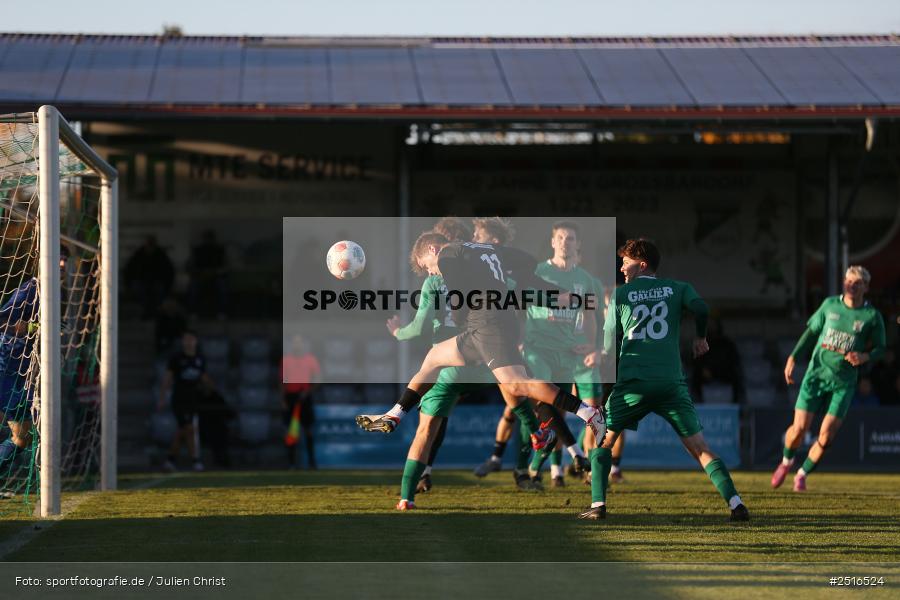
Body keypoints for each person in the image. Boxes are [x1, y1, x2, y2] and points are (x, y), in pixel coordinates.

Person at [361, 232, 606, 510]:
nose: (432, 272)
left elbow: (454, 289)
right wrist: (554, 292)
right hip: (489, 325)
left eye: (427, 266)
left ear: (432, 249)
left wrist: (460, 313)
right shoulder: (486, 248)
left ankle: (588, 413)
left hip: (486, 324)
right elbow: (526, 263)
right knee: (433, 360)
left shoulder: (448, 254)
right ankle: (395, 414)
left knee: (517, 384)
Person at [582, 238, 748, 522]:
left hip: (633, 384)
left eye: (625, 263)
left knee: (601, 442)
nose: (621, 268)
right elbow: (701, 309)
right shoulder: (678, 288)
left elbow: (609, 346)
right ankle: (736, 504)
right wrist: (700, 337)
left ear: (641, 264)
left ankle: (598, 506)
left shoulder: (621, 295)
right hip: (670, 384)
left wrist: (607, 381)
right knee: (700, 448)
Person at [771, 266, 886, 491]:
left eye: (857, 283)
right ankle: (786, 462)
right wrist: (793, 357)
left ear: (866, 287)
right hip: (816, 375)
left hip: (843, 383)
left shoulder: (871, 316)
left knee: (826, 436)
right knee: (799, 429)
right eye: (848, 281)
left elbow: (881, 348)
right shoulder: (830, 305)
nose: (851, 286)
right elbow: (811, 333)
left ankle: (802, 475)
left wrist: (865, 356)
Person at [522, 221, 600, 487]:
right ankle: (574, 455)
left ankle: (546, 470)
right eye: (561, 238)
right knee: (543, 401)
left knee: (558, 413)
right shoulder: (538, 272)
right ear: (553, 242)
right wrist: (517, 340)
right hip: (538, 349)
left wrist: (591, 344)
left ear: (578, 244)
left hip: (566, 353)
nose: (565, 242)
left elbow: (590, 315)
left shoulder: (585, 280)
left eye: (570, 238)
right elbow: (519, 304)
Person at [0, 247, 69, 474]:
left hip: (23, 373)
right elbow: (2, 321)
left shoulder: (59, 292)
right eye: (58, 259)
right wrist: (28, 328)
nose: (62, 264)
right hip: (5, 365)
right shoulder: (30, 289)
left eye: (65, 260)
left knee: (23, 436)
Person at [158, 330, 214, 471]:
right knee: (189, 427)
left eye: (191, 339)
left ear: (196, 341)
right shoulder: (176, 358)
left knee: (185, 429)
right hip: (179, 399)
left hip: (193, 399)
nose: (188, 342)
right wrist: (162, 397)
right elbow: (167, 378)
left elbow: (203, 377)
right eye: (186, 339)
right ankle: (195, 460)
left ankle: (171, 460)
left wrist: (210, 387)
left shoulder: (200, 359)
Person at [281, 334, 321, 469]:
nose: (297, 345)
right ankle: (291, 463)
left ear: (303, 344)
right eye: (294, 342)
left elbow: (317, 380)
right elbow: (281, 382)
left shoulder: (311, 360)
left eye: (299, 342)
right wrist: (283, 400)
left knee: (308, 431)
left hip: (305, 397)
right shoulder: (286, 360)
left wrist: (308, 391)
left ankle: (311, 462)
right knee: (291, 432)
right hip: (290, 398)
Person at [124, 235, 174, 319]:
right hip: (141, 282)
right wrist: (128, 284)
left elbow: (169, 271)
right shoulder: (139, 254)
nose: (150, 247)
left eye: (152, 244)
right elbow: (129, 270)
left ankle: (153, 312)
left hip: (157, 282)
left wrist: (167, 284)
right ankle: (147, 311)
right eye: (148, 244)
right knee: (140, 290)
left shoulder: (161, 255)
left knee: (158, 290)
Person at [188, 229, 228, 318]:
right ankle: (192, 312)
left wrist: (215, 271)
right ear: (203, 239)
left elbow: (225, 266)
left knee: (223, 288)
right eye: (206, 238)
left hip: (216, 275)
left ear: (213, 239)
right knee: (193, 288)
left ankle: (222, 312)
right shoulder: (197, 250)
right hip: (200, 275)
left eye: (210, 239)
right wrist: (201, 272)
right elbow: (192, 265)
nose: (208, 241)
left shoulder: (219, 250)